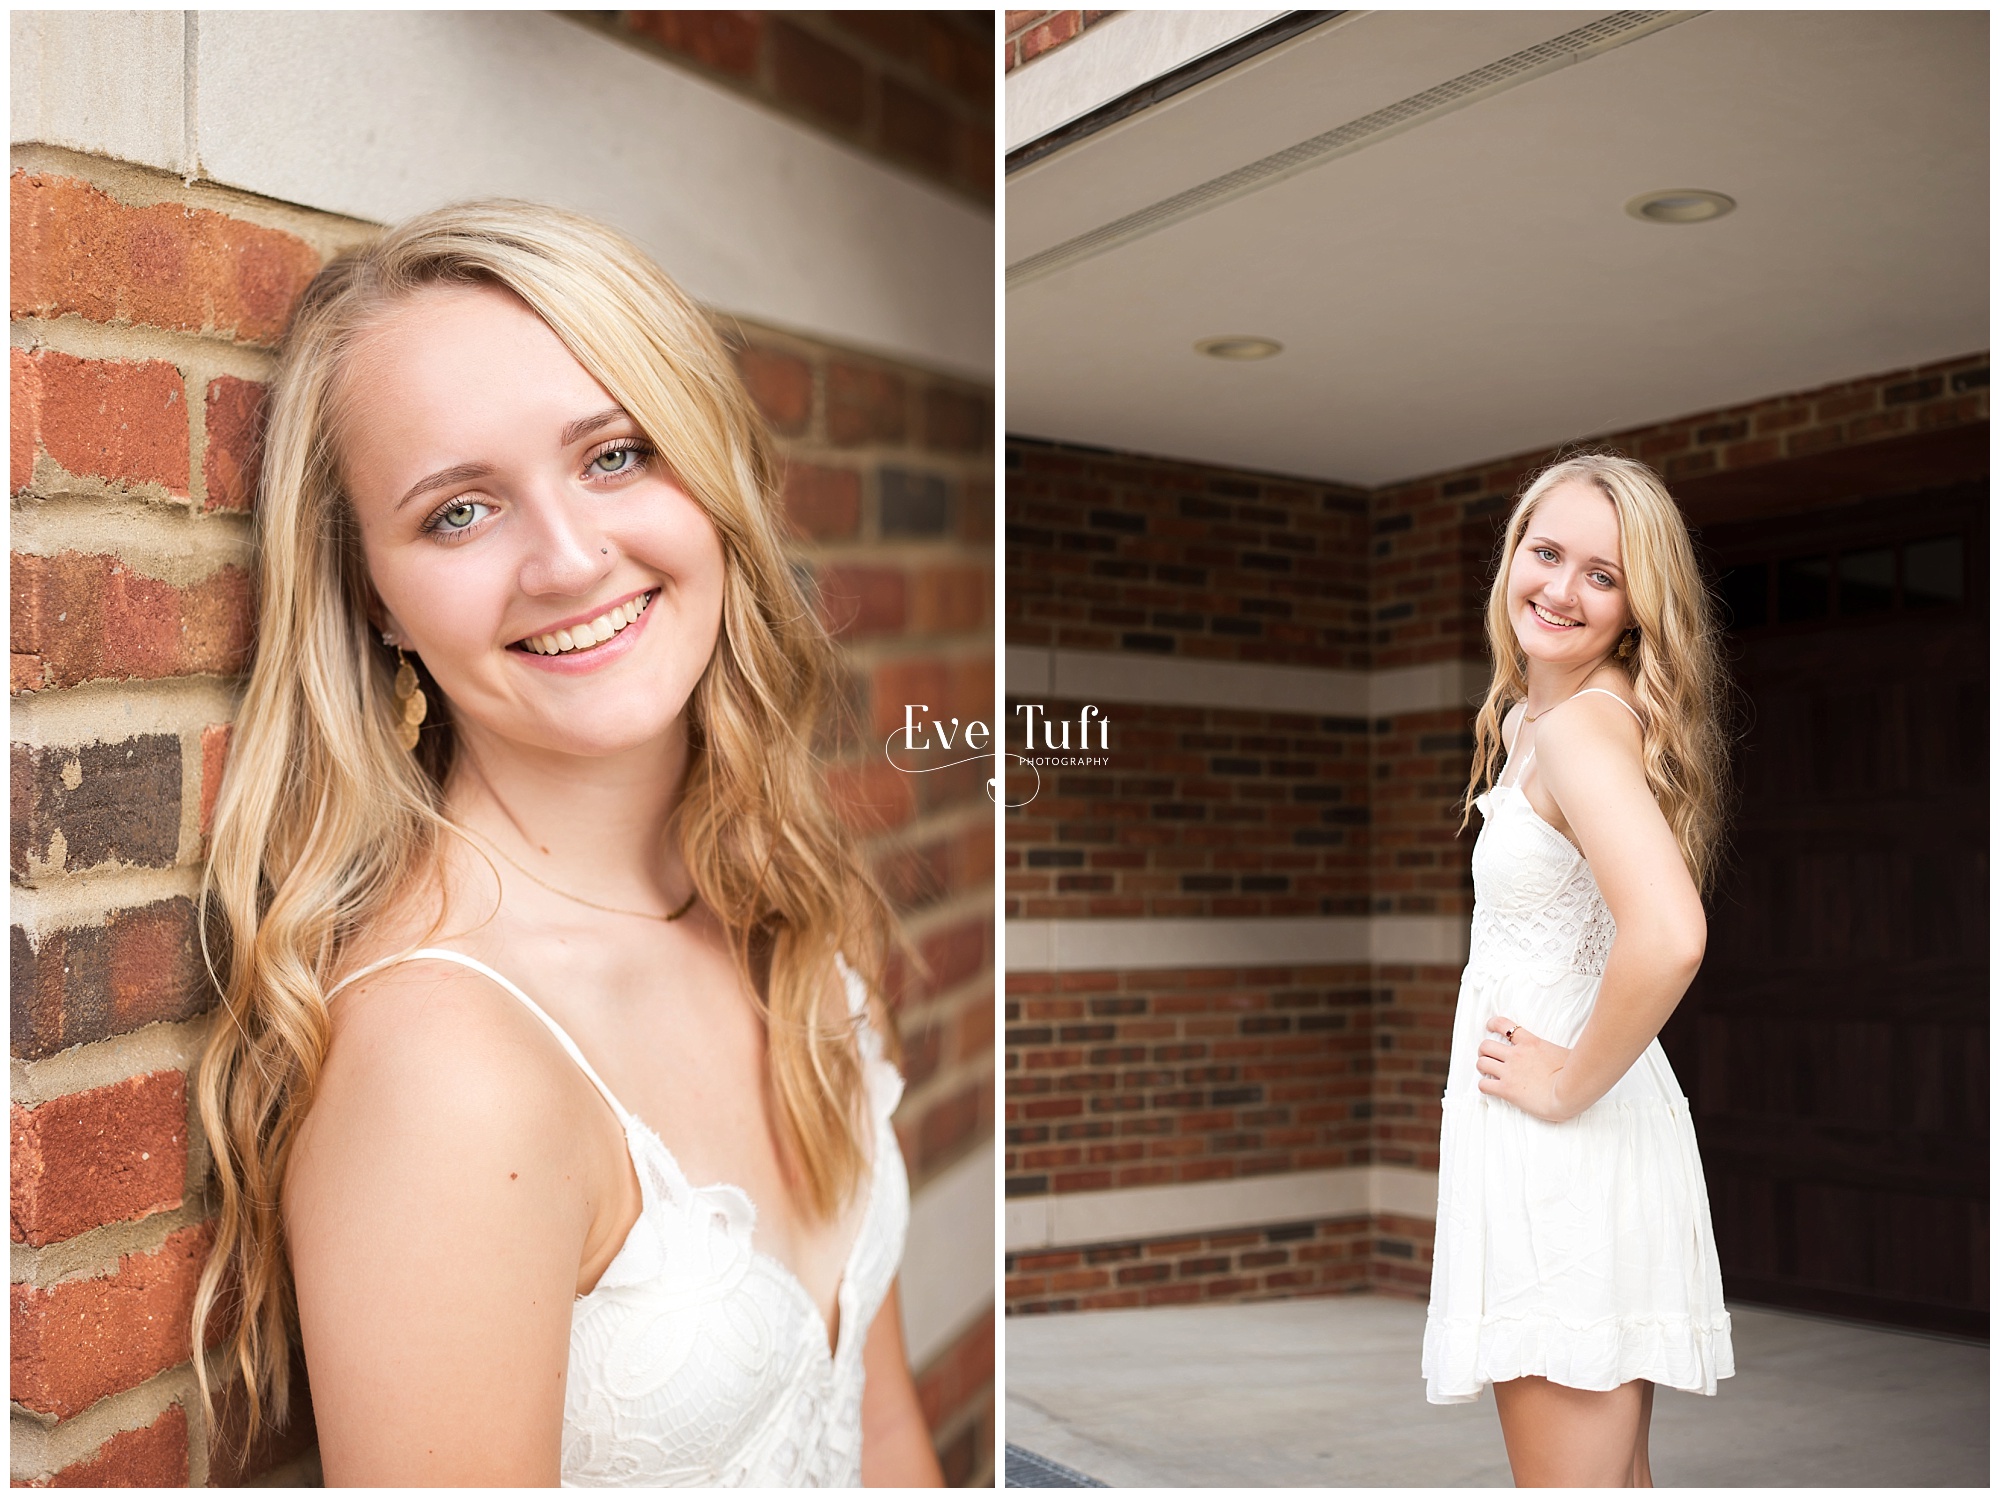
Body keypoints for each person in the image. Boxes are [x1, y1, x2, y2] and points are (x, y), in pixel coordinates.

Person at [193, 202, 945, 1486]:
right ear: (376, 600)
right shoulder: (447, 1070)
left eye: (613, 457)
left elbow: (878, 1436)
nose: (567, 558)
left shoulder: (784, 921)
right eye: (458, 513)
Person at [1421, 453, 1735, 1485]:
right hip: (1554, 1141)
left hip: (1567, 1147)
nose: (1558, 589)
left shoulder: (1580, 731)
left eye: (1599, 574)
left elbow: (1668, 933)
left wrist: (1560, 1083)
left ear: (1635, 605)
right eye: (1543, 551)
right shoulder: (1528, 722)